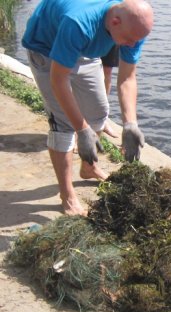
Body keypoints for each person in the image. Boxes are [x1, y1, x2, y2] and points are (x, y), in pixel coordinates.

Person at [22, 0, 154, 216]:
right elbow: (59, 80)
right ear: (114, 21)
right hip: (46, 46)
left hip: (84, 48)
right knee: (63, 123)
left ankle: (88, 167)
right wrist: (81, 129)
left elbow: (127, 78)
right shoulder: (79, 23)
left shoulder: (134, 29)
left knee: (99, 111)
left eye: (137, 40)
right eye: (129, 40)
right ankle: (67, 196)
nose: (132, 45)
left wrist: (130, 124)